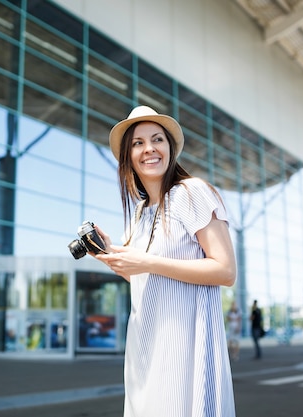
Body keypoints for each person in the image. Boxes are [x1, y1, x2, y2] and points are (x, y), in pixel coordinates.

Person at [93, 105, 237, 417]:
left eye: (157, 139)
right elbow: (145, 278)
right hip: (144, 347)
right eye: (138, 143)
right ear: (128, 156)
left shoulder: (191, 192)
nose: (149, 149)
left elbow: (225, 270)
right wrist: (110, 256)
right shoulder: (139, 215)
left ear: (169, 148)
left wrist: (146, 262)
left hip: (185, 347)